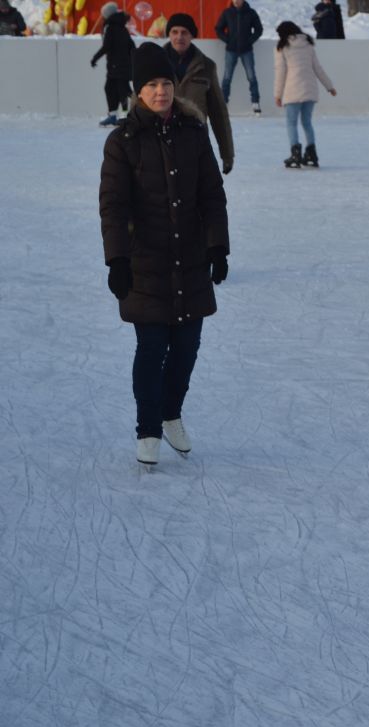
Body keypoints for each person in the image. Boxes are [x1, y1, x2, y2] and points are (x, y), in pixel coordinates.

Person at [99, 42, 229, 466]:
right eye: (151, 84)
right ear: (139, 91)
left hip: (189, 259)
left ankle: (171, 412)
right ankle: (148, 428)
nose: (161, 91)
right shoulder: (122, 141)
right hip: (146, 262)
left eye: (166, 83)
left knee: (187, 347)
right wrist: (117, 259)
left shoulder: (193, 132)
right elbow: (113, 206)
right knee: (152, 348)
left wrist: (218, 247)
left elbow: (212, 194)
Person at [166, 13, 235, 175]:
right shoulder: (154, 62)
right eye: (174, 32)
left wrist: (227, 154)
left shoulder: (207, 67)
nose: (179, 37)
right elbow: (140, 103)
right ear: (168, 34)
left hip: (195, 144)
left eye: (184, 32)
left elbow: (218, 113)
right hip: (162, 143)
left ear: (192, 35)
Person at [273, 21, 336, 168]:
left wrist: (278, 94)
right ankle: (311, 153)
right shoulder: (307, 44)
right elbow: (318, 69)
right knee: (307, 122)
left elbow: (281, 72)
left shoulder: (282, 47)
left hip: (292, 90)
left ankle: (296, 153)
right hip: (310, 90)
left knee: (291, 123)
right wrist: (329, 86)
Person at [215, 0, 263, 114]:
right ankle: (223, 104)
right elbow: (218, 29)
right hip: (231, 50)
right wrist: (228, 40)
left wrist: (249, 41)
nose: (236, 1)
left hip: (246, 50)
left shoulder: (251, 13)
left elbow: (259, 29)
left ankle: (255, 103)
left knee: (251, 77)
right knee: (227, 77)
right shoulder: (227, 12)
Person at [90, 2, 134, 126]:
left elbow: (106, 46)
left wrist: (95, 58)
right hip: (121, 66)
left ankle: (125, 116)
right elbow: (131, 45)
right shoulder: (122, 27)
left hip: (117, 66)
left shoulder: (111, 27)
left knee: (120, 90)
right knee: (116, 89)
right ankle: (114, 115)